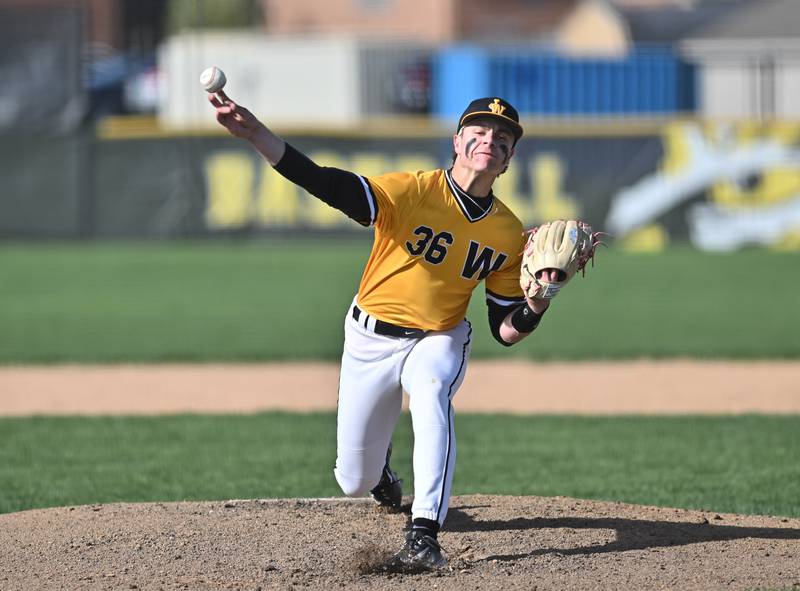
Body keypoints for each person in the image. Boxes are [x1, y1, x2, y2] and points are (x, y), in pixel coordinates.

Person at [209, 91, 558, 570]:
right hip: (369, 338)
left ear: (510, 157)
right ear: (457, 142)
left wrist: (536, 304)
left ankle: (424, 535)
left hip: (438, 337)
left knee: (433, 389)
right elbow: (325, 183)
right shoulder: (414, 190)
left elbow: (504, 328)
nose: (489, 140)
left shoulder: (506, 233)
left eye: (502, 137)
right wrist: (257, 136)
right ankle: (381, 473)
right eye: (478, 131)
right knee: (353, 480)